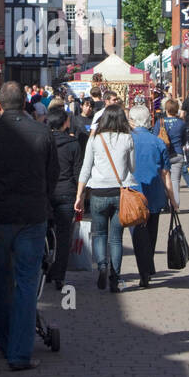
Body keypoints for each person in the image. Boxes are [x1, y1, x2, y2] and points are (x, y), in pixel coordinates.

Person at [0, 82, 57, 370]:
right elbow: (52, 174)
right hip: (32, 215)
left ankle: (6, 344)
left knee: (2, 282)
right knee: (27, 283)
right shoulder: (43, 132)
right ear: (24, 103)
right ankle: (20, 352)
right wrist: (42, 199)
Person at [75, 104, 135, 293]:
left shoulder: (95, 140)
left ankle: (101, 266)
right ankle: (115, 278)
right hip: (120, 193)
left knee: (100, 234)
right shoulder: (127, 139)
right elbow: (133, 167)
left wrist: (79, 196)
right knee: (116, 239)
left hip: (98, 191)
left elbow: (85, 169)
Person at [129, 104, 177, 289]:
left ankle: (144, 270)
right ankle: (147, 267)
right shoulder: (158, 142)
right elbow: (166, 173)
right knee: (151, 231)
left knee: (137, 233)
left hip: (134, 193)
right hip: (155, 192)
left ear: (132, 121)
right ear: (148, 121)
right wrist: (172, 198)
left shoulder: (128, 140)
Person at [44, 105, 83, 291]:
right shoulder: (73, 145)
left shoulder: (42, 141)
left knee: (42, 231)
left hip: (45, 193)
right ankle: (59, 274)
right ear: (65, 123)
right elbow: (77, 173)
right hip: (66, 192)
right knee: (64, 236)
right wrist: (80, 196)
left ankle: (44, 266)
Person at [155, 99, 189, 197]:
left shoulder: (160, 122)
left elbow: (155, 138)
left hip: (163, 154)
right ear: (177, 109)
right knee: (175, 181)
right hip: (177, 153)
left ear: (166, 109)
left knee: (163, 179)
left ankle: (165, 204)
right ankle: (176, 204)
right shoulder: (181, 123)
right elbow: (184, 140)